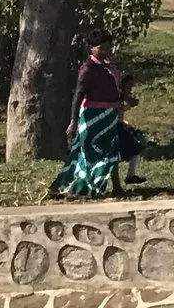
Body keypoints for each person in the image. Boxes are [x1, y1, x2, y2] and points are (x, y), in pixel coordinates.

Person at [49, 33, 144, 200]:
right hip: (92, 117)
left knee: (111, 152)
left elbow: (115, 91)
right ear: (91, 49)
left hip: (110, 116)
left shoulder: (109, 68)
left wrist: (126, 98)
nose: (105, 51)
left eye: (108, 47)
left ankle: (116, 187)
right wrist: (73, 121)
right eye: (101, 48)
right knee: (88, 152)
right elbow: (78, 95)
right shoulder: (87, 70)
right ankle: (77, 186)